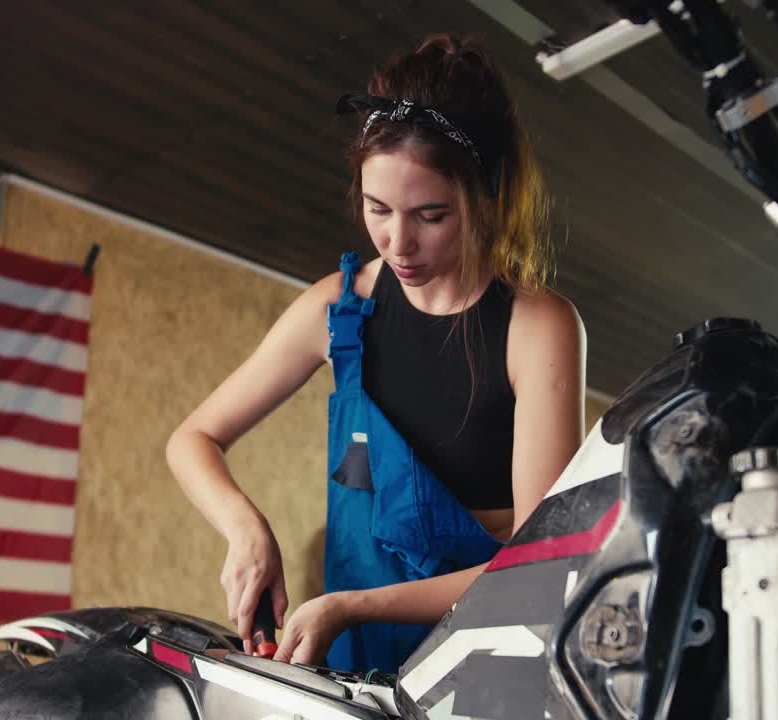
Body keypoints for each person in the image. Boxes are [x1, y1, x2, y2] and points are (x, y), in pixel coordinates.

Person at [166, 32, 585, 673]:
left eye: (431, 215)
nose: (398, 242)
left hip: (487, 665)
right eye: (377, 208)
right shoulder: (338, 311)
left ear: (487, 192)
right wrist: (246, 531)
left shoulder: (538, 328)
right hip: (356, 666)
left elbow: (538, 567)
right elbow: (192, 438)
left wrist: (355, 605)